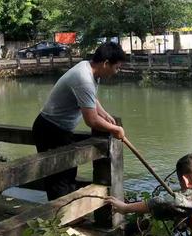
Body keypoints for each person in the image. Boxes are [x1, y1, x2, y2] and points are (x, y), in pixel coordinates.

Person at [32, 42, 126, 200]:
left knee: (69, 174)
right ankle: (59, 220)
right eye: (116, 67)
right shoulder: (84, 78)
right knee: (58, 179)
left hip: (60, 130)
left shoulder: (89, 69)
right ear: (106, 63)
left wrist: (103, 112)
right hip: (50, 129)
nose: (116, 72)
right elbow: (91, 121)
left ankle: (68, 215)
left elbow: (91, 98)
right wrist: (115, 130)